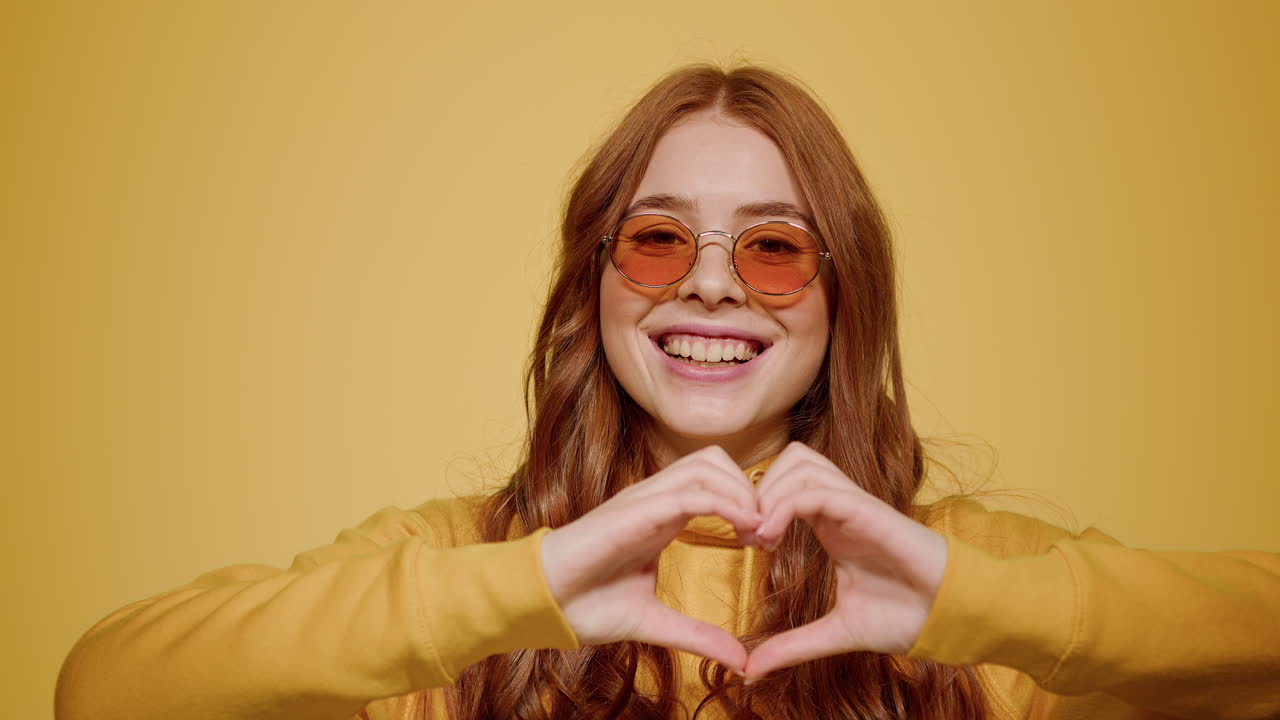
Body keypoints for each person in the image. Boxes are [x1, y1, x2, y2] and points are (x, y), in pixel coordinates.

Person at [55, 64, 1279, 720]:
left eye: (772, 246)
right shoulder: (460, 570)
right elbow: (103, 690)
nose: (708, 289)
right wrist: (519, 590)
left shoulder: (962, 581)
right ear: (594, 283)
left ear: (843, 295)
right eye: (654, 240)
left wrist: (981, 603)